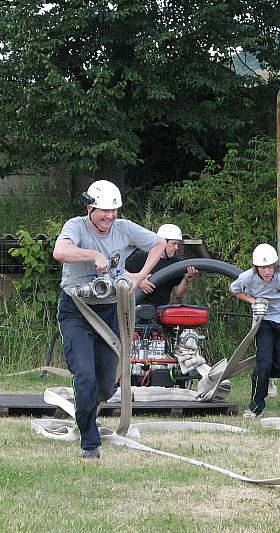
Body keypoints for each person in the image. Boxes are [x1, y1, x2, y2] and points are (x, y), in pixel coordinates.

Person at [53, 180, 166, 459]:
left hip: (110, 310)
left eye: (114, 211)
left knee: (105, 384)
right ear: (89, 207)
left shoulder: (124, 228)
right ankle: (90, 443)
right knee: (85, 375)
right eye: (104, 211)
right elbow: (60, 251)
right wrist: (92, 255)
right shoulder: (76, 226)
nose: (110, 216)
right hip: (77, 310)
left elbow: (159, 244)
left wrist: (139, 277)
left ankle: (86, 411)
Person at [230, 243, 280, 417]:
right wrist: (254, 301)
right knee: (263, 364)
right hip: (264, 321)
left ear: (276, 266)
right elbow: (234, 289)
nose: (267, 272)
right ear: (256, 268)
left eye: (270, 267)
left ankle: (267, 377)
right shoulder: (247, 277)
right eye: (263, 268)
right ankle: (255, 407)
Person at [125, 223, 199, 308]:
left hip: (160, 310)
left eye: (177, 244)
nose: (176, 247)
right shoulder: (141, 256)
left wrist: (187, 278)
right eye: (173, 243)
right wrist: (138, 281)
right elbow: (121, 273)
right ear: (163, 242)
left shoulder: (176, 263)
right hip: (136, 308)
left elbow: (178, 293)